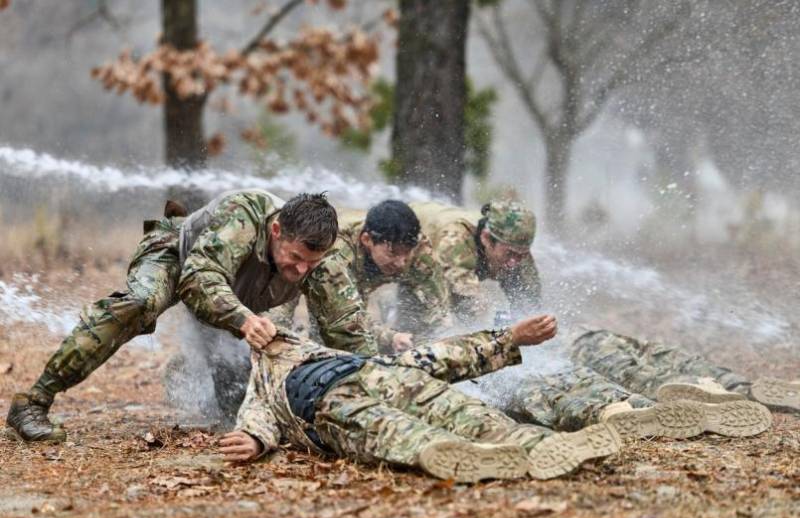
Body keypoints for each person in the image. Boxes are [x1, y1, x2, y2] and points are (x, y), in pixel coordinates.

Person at [6, 189, 339, 442]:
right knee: (140, 303)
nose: (301, 270)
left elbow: (346, 330)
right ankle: (33, 403)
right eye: (295, 257)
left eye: (311, 262)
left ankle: (181, 370)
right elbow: (199, 280)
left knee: (238, 403)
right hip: (176, 256)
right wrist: (245, 320)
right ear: (277, 230)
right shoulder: (242, 216)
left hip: (226, 295)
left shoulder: (320, 264)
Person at [218, 313, 624, 483]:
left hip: (386, 375)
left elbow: (429, 358)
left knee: (468, 411)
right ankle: (461, 456)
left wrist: (508, 338)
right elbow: (256, 418)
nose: (265, 331)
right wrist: (254, 439)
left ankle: (546, 446)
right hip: (328, 407)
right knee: (398, 431)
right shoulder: (262, 384)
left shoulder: (332, 352)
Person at [299, 200, 449, 355]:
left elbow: (440, 315)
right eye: (393, 253)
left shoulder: (419, 250)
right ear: (367, 240)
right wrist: (389, 337)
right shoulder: (338, 253)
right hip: (317, 280)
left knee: (422, 338)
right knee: (332, 342)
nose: (401, 262)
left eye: (406, 253)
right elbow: (347, 321)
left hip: (371, 278)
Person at [503, 364, 772, 440]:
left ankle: (607, 412)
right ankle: (643, 406)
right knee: (590, 381)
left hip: (514, 368)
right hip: (543, 360)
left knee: (546, 399)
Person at [570, 328, 799, 413]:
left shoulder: (533, 268)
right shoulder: (533, 267)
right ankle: (741, 387)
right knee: (666, 356)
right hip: (588, 332)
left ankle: (710, 391)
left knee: (633, 374)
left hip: (575, 343)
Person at [409, 193, 541, 324]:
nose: (514, 262)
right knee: (433, 319)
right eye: (509, 254)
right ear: (486, 239)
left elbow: (531, 307)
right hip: (409, 247)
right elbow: (466, 300)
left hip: (448, 254)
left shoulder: (518, 252)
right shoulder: (455, 241)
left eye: (521, 254)